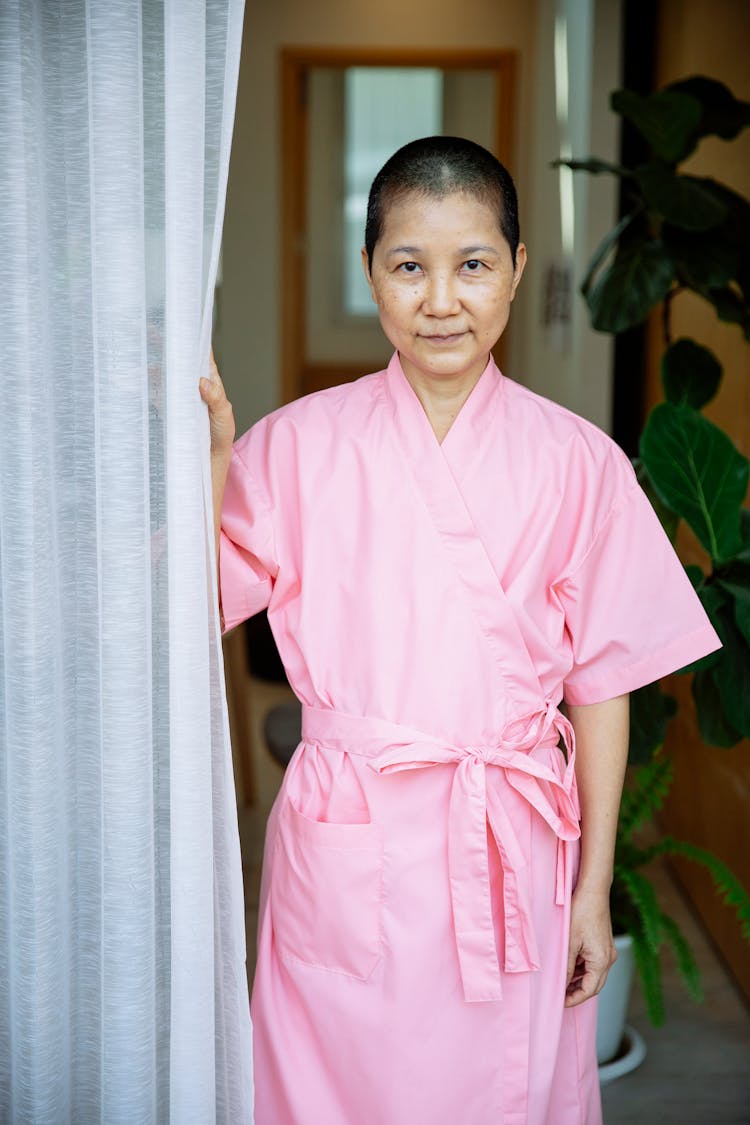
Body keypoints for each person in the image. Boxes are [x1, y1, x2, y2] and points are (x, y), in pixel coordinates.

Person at [200, 136, 720, 1125]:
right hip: (348, 849)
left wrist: (593, 891)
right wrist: (211, 466)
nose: (441, 299)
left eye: (472, 263)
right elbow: (182, 616)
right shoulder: (294, 449)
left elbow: (601, 685)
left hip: (512, 851)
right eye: (409, 266)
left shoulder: (581, 463)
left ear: (518, 271)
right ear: (371, 275)